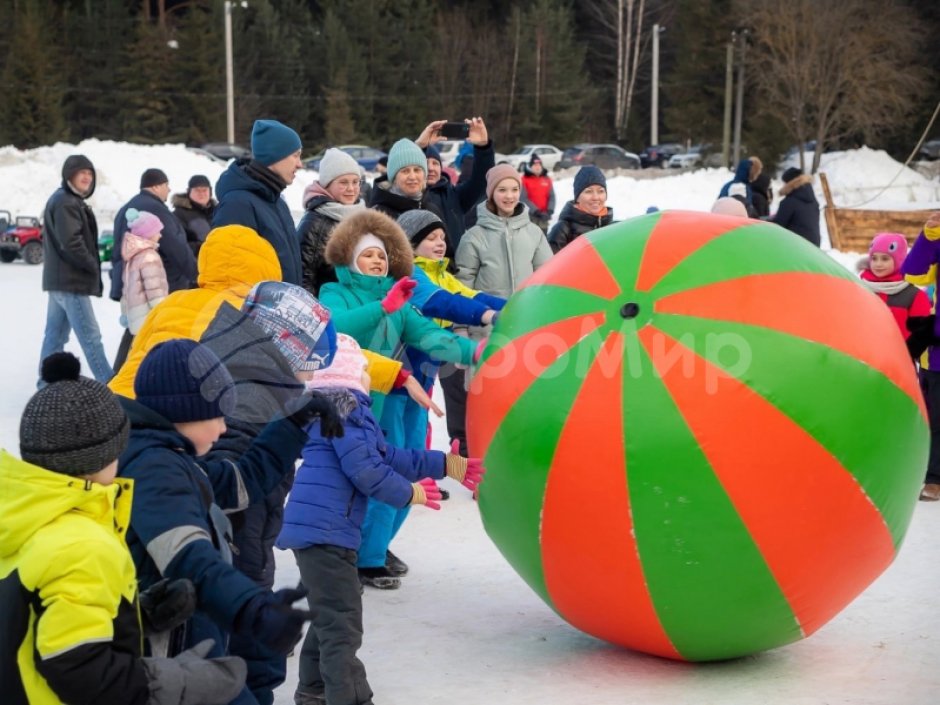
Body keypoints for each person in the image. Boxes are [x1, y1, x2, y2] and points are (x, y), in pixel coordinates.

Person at [1, 351, 246, 705]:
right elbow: (79, 669)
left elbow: (37, 618)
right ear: (102, 456)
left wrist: (137, 613)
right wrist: (171, 682)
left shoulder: (23, 518)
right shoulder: (82, 545)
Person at [277, 333, 484, 705]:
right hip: (326, 532)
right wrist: (410, 493)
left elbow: (388, 457)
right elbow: (367, 471)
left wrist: (445, 464)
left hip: (321, 530)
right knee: (341, 623)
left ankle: (313, 691)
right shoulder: (347, 410)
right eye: (366, 371)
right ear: (354, 375)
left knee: (330, 615)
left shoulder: (341, 412)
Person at [118, 339, 322, 703]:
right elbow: (187, 556)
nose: (224, 428)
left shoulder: (171, 457)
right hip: (169, 658)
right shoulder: (155, 468)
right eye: (217, 415)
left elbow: (240, 482)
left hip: (191, 641)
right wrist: (253, 611)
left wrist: (295, 421)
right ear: (184, 413)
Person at [319, 209, 478, 589]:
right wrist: (382, 306)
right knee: (360, 480)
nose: (377, 261)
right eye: (368, 254)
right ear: (348, 256)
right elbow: (334, 329)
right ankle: (357, 557)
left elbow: (430, 335)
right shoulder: (333, 291)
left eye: (382, 256)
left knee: (404, 475)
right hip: (351, 403)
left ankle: (374, 551)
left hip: (394, 400)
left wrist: (476, 352)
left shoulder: (400, 299)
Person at [397, 209, 504, 482]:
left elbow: (473, 296)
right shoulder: (409, 272)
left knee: (419, 420)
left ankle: (416, 473)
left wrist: (514, 305)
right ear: (411, 243)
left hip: (426, 361)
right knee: (401, 422)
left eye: (442, 237)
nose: (440, 243)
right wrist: (488, 316)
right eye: (431, 237)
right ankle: (401, 477)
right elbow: (440, 302)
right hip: (403, 360)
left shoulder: (441, 273)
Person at [110, 168, 198, 371]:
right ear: (157, 185)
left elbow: (118, 252)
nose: (169, 191)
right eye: (167, 186)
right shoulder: (155, 209)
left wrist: (118, 286)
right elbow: (176, 246)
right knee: (152, 333)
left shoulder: (126, 209)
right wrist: (196, 274)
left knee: (136, 331)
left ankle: (121, 376)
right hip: (158, 283)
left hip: (131, 284)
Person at [38, 154, 114, 384]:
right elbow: (71, 242)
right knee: (91, 337)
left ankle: (45, 383)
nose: (87, 177)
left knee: (55, 337)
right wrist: (92, 265)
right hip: (71, 281)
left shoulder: (66, 199)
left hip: (60, 281)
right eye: (82, 173)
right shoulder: (66, 202)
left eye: (90, 173)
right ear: (69, 175)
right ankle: (110, 386)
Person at [214, 119, 305, 284]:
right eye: (295, 155)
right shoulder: (237, 204)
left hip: (282, 307)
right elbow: (228, 274)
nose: (300, 164)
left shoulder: (277, 202)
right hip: (258, 308)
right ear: (275, 155)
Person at [457, 163, 553, 300]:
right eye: (502, 190)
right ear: (491, 193)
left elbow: (546, 276)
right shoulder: (473, 237)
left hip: (526, 314)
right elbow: (464, 282)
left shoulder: (534, 233)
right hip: (489, 316)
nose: (509, 196)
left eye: (514, 190)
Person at [900, 213, 940, 501]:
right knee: (935, 417)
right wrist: (930, 234)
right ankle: (935, 477)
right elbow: (912, 273)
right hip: (938, 353)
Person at [420, 118, 495, 256]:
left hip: (453, 269)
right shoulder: (408, 197)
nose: (431, 168)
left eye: (435, 163)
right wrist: (419, 146)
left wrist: (483, 148)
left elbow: (481, 180)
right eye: (425, 163)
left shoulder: (455, 196)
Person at [298, 147, 368, 295]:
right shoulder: (316, 222)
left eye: (355, 182)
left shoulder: (362, 215)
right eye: (343, 182)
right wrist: (315, 313)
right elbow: (304, 275)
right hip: (329, 307)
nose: (351, 189)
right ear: (327, 185)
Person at [120, 208, 169, 335]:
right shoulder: (149, 257)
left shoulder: (134, 255)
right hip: (149, 316)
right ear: (148, 233)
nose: (160, 235)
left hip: (136, 314)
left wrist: (125, 311)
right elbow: (154, 290)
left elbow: (127, 287)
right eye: (157, 231)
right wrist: (163, 313)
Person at [547, 165, 615, 253]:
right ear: (577, 198)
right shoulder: (562, 230)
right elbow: (550, 265)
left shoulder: (613, 227)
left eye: (601, 191)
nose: (595, 197)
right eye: (588, 191)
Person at [369, 137, 436, 221]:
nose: (412, 177)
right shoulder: (378, 216)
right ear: (394, 178)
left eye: (417, 170)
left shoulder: (432, 210)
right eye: (405, 171)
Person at [772, 167, 821, 246]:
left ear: (789, 184)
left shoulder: (788, 202)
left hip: (796, 247)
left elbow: (777, 227)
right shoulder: (813, 201)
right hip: (814, 247)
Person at [172, 174, 217, 257]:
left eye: (204, 190)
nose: (201, 194)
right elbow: (178, 245)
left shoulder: (218, 211)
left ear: (210, 191)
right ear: (189, 191)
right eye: (197, 190)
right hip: (196, 263)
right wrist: (205, 247)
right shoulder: (179, 214)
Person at [521, 154, 556, 233]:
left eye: (539, 164)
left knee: (543, 239)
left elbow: (552, 196)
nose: (538, 167)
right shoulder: (524, 180)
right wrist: (536, 211)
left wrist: (550, 210)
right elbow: (523, 198)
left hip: (544, 216)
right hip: (530, 216)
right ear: (530, 167)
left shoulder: (547, 179)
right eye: (535, 165)